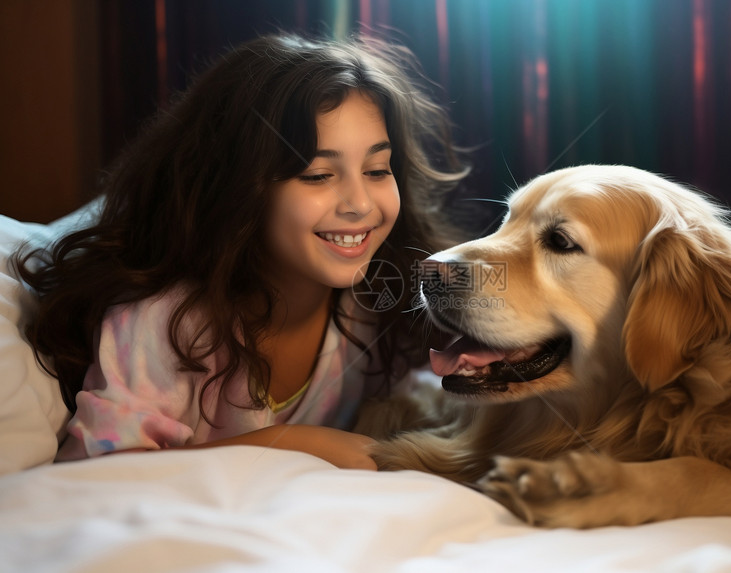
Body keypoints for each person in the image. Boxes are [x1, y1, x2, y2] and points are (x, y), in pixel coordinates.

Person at [14, 33, 468, 469]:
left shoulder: (377, 304)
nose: (361, 205)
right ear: (239, 188)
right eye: (317, 175)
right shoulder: (168, 320)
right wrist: (294, 444)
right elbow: (100, 472)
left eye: (376, 170)